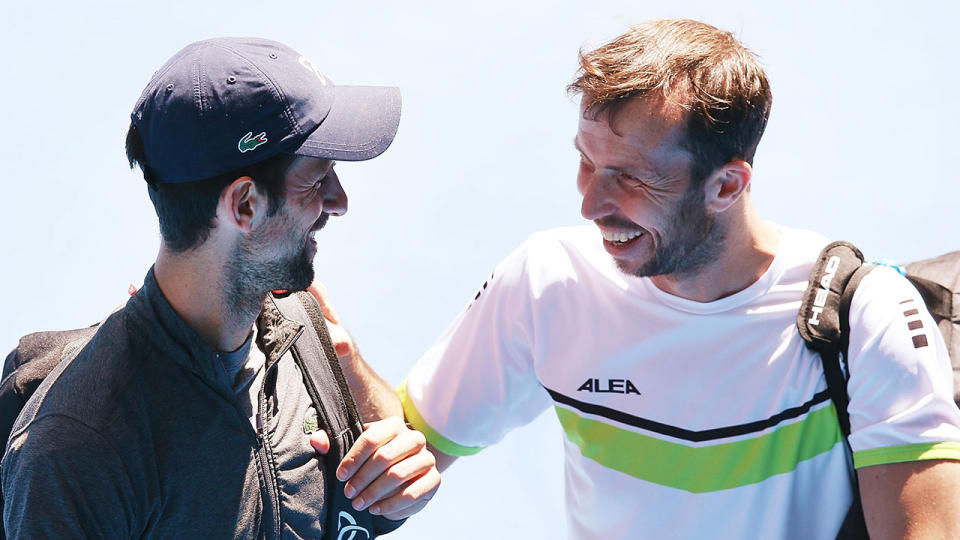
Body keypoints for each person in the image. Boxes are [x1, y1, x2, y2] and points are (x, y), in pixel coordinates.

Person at [395, 19, 960, 539]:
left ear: (726, 187)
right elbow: (397, 454)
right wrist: (325, 336)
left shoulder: (867, 316)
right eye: (587, 162)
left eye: (630, 178)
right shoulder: (548, 282)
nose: (591, 204)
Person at [1, 37, 438, 538]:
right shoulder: (79, 450)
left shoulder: (299, 322)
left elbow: (362, 506)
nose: (339, 203)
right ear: (245, 205)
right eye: (318, 180)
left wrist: (395, 465)